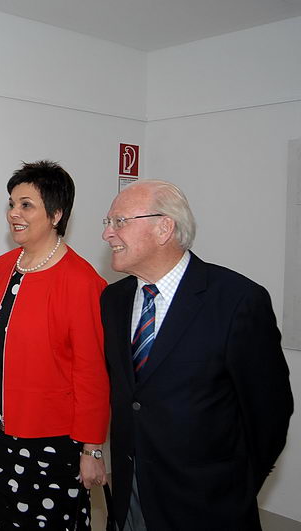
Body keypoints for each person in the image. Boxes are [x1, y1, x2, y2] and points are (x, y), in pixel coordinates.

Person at [100, 179, 294, 531]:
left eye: (120, 221)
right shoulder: (113, 301)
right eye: (108, 222)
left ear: (164, 228)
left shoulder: (237, 301)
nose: (107, 234)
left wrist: (234, 488)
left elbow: (269, 413)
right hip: (130, 496)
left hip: (207, 505)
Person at [0, 161, 110, 530]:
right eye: (12, 204)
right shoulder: (3, 266)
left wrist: (92, 449)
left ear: (56, 214)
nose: (14, 213)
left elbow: (92, 373)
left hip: (48, 437)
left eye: (26, 205)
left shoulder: (81, 282)